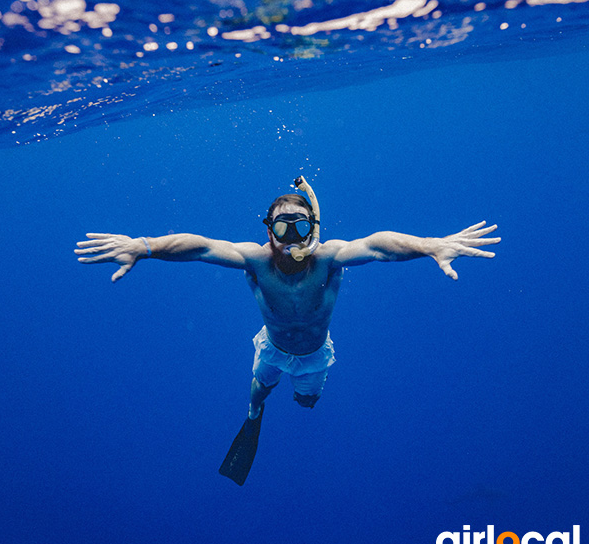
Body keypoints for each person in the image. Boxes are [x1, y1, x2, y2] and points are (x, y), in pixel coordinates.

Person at [74, 177, 500, 485]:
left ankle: (298, 394)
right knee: (258, 390)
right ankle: (255, 414)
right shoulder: (256, 260)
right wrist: (144, 247)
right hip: (273, 346)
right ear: (268, 231)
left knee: (307, 399)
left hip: (316, 353)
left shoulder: (331, 257)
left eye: (299, 226)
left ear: (312, 229)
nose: (290, 237)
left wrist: (429, 246)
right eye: (281, 227)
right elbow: (200, 246)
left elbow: (379, 244)